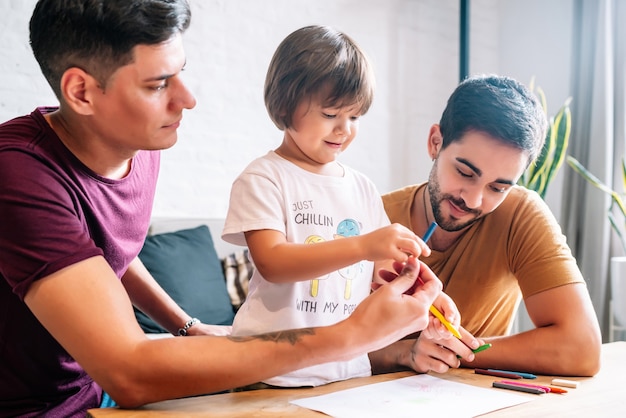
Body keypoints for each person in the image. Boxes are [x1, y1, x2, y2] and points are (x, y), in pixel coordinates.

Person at [0, 1, 450, 416]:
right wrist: (354, 335)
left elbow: (103, 251)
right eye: (158, 84)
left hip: (95, 392)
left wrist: (186, 326)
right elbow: (132, 373)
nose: (187, 99)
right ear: (81, 91)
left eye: (181, 73)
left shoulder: (140, 142)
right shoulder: (17, 175)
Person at [221, 25, 461, 388]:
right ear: (286, 105)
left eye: (355, 117)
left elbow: (382, 273)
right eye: (331, 114)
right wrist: (363, 246)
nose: (344, 129)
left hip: (348, 370)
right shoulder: (264, 178)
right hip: (268, 371)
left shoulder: (361, 188)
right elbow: (273, 263)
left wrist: (426, 296)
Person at [371, 74, 602, 377]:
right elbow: (315, 346)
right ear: (435, 143)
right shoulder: (371, 216)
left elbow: (582, 349)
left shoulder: (520, 214)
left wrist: (453, 351)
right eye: (465, 173)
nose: (474, 199)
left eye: (498, 187)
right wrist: (406, 354)